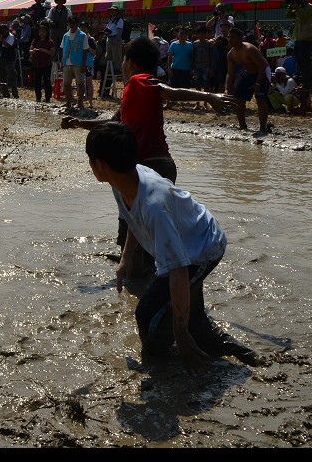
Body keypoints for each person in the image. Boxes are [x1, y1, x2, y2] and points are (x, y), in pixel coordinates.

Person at [84, 121, 264, 373]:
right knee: (192, 318)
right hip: (187, 239)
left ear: (100, 164)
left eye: (90, 160)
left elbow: (178, 270)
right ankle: (236, 353)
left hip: (201, 249)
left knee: (148, 314)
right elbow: (132, 219)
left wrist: (180, 335)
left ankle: (164, 370)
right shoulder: (122, 181)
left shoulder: (153, 203)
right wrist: (125, 259)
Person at [63, 36, 239, 275]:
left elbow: (167, 91)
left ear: (131, 62)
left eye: (124, 59)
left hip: (148, 166)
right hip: (157, 164)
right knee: (142, 223)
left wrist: (207, 97)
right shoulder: (132, 92)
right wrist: (79, 123)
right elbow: (113, 123)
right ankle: (144, 268)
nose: (122, 65)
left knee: (132, 220)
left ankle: (139, 279)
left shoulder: (139, 82)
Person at [226, 27, 273, 135]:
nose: (229, 40)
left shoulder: (249, 49)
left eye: (232, 38)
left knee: (260, 99)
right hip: (248, 73)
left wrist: (258, 83)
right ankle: (242, 126)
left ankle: (262, 128)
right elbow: (230, 73)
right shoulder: (230, 54)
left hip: (263, 72)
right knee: (238, 99)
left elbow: (262, 65)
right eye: (229, 37)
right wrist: (228, 89)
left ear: (240, 38)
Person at [285, 0, 312, 89]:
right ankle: (300, 80)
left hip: (306, 39)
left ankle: (307, 83)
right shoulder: (299, 7)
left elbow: (302, 17)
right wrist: (291, 5)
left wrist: (297, 7)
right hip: (298, 39)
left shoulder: (309, 7)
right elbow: (288, 15)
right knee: (299, 62)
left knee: (305, 63)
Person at [60, 16, 89, 113]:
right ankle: (68, 101)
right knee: (66, 83)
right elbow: (62, 49)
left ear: (77, 24)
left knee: (80, 83)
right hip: (67, 62)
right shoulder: (65, 35)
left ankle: (79, 101)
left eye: (74, 23)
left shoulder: (82, 35)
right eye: (71, 23)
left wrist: (84, 63)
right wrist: (62, 61)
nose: (72, 25)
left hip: (78, 62)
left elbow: (85, 50)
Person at [164, 26, 194, 110]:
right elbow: (169, 57)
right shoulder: (173, 44)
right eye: (180, 33)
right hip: (175, 68)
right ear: (178, 34)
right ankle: (168, 103)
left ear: (186, 35)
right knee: (171, 87)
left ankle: (183, 104)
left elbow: (191, 58)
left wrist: (191, 69)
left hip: (186, 69)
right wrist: (169, 68)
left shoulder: (190, 45)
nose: (182, 35)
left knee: (184, 88)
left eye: (183, 33)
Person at [101, 6, 125, 97]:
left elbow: (119, 31)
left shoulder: (119, 20)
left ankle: (117, 69)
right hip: (109, 39)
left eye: (113, 11)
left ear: (117, 12)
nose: (112, 12)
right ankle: (110, 67)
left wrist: (117, 38)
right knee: (109, 56)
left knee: (117, 56)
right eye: (111, 11)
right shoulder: (111, 19)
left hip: (115, 39)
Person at [28, 23, 55, 103]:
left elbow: (52, 53)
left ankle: (47, 97)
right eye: (40, 31)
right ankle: (38, 97)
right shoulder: (35, 40)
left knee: (47, 81)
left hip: (46, 64)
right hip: (36, 63)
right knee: (37, 81)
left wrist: (44, 50)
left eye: (43, 31)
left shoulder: (50, 42)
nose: (41, 33)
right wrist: (33, 51)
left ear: (47, 32)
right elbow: (30, 50)